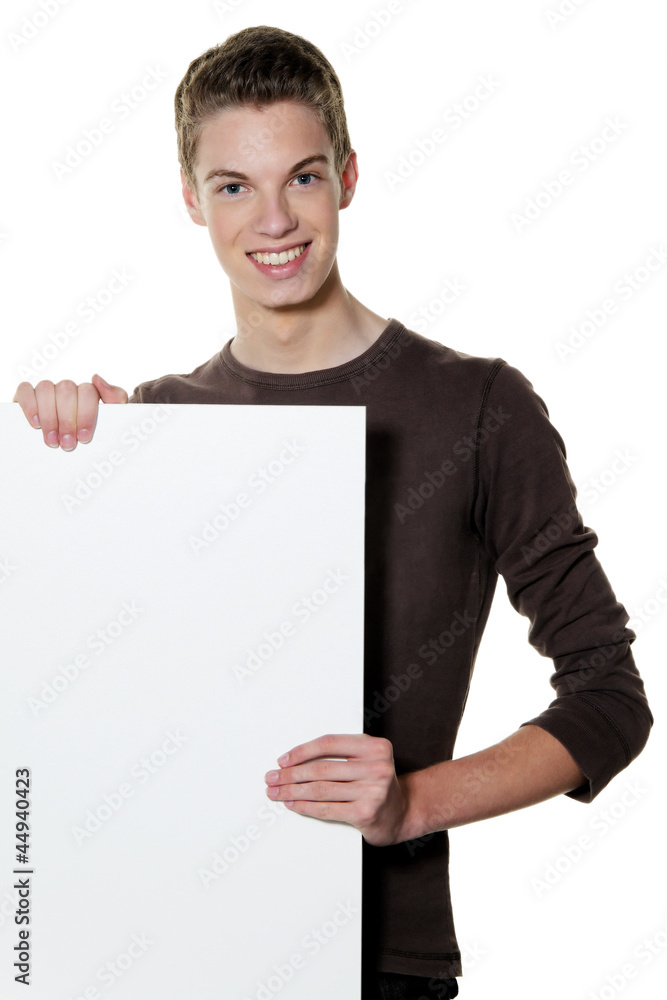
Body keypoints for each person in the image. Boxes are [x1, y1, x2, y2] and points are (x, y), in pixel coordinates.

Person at [12, 25, 652, 1000]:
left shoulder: (478, 407)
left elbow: (609, 698)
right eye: (234, 185)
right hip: (159, 956)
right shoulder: (151, 426)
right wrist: (56, 468)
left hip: (379, 964)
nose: (273, 218)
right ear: (190, 199)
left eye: (302, 177)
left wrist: (409, 806)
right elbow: (76, 715)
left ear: (347, 176)